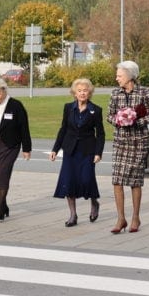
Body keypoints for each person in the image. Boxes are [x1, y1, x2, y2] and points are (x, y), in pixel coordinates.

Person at [107, 60, 149, 234]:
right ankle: (121, 218)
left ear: (130, 76)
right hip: (121, 141)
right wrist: (119, 120)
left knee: (135, 180)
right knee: (117, 179)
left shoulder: (144, 92)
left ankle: (136, 217)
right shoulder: (115, 93)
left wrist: (136, 121)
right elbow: (109, 115)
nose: (117, 78)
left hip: (138, 142)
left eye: (119, 75)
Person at [50, 78, 105, 227]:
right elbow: (63, 129)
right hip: (70, 150)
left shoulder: (96, 110)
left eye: (85, 90)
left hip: (88, 151)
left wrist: (98, 153)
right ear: (74, 93)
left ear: (90, 92)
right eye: (79, 90)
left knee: (87, 180)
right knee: (69, 182)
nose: (82, 93)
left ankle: (94, 202)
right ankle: (73, 215)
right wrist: (55, 149)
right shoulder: (68, 107)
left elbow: (100, 134)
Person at [0, 78, 32, 220]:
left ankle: (0, 208)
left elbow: (24, 128)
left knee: (2, 173)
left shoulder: (16, 106)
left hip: (10, 145)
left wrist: (26, 148)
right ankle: (4, 205)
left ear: (4, 91)